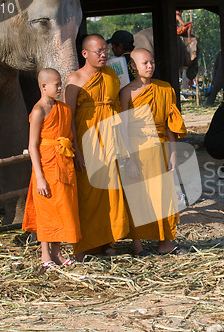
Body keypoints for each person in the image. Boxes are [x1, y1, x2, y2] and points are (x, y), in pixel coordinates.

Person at [64, 34, 131, 261]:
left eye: (105, 51)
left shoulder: (111, 75)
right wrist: (75, 149)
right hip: (86, 140)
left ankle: (105, 242)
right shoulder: (74, 81)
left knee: (110, 192)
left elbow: (117, 108)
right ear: (85, 54)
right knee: (87, 193)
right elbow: (68, 117)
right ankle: (82, 246)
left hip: (111, 139)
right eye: (98, 51)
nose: (104, 55)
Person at [119, 48, 187, 257]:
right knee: (137, 195)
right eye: (144, 63)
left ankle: (165, 242)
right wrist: (128, 159)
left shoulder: (164, 89)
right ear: (133, 67)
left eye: (152, 62)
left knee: (163, 195)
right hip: (137, 151)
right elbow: (122, 127)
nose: (150, 66)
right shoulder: (126, 92)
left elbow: (169, 125)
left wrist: (173, 153)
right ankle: (137, 245)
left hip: (159, 148)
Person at [22, 68, 81, 270]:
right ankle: (45, 256)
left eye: (60, 83)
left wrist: (77, 158)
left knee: (62, 209)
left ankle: (57, 253)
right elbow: (32, 145)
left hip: (63, 163)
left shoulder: (63, 109)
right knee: (47, 211)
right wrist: (39, 177)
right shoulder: (38, 111)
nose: (60, 87)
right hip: (46, 166)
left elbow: (70, 134)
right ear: (43, 86)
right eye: (56, 84)